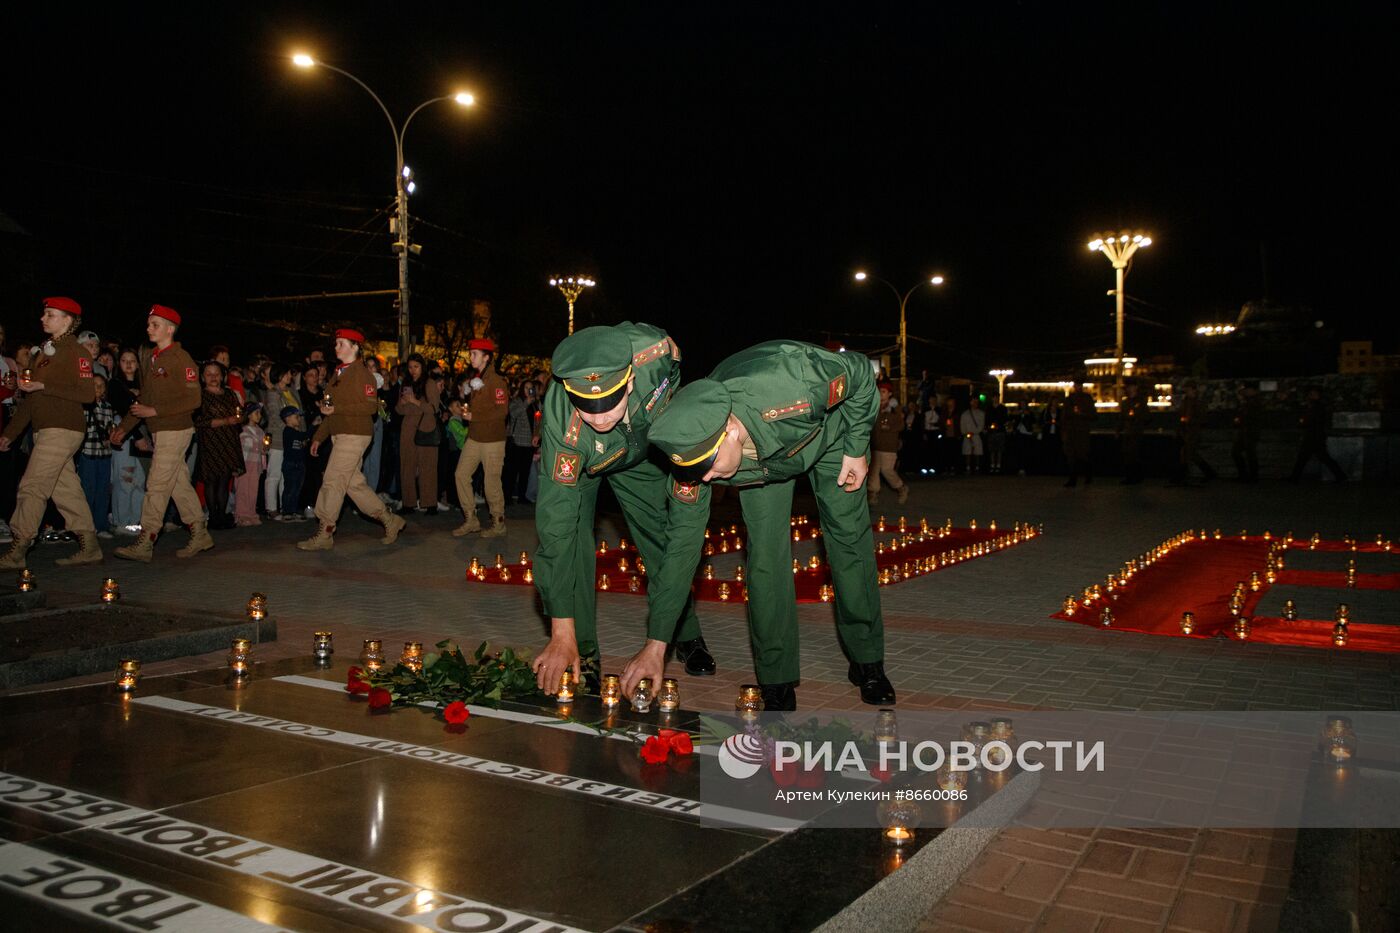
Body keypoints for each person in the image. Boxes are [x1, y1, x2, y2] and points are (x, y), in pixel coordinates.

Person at [648, 340, 894, 711]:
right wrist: (656, 644)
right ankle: (776, 676)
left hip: (829, 439)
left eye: (710, 466)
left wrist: (857, 447)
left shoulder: (795, 382)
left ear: (730, 429)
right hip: (759, 468)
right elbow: (681, 550)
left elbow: (859, 371)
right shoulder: (695, 458)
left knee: (849, 541)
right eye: (698, 471)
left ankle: (867, 661)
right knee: (765, 557)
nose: (707, 479)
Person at [529, 324, 716, 700]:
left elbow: (675, 392)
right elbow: (555, 528)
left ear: (629, 382)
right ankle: (581, 651)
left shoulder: (657, 354)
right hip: (584, 461)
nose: (599, 419)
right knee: (573, 540)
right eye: (587, 407)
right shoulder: (562, 418)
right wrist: (559, 631)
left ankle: (683, 633)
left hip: (640, 453)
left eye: (609, 404)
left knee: (660, 537)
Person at [0, 297, 103, 569]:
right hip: (45, 429)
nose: (43, 318)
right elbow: (31, 399)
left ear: (67, 320)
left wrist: (44, 386)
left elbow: (87, 394)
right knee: (65, 489)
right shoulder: (43, 353)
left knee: (33, 485)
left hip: (62, 428)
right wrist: (11, 432)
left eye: (50, 314)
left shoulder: (77, 352)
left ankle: (19, 547)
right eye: (44, 314)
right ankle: (90, 546)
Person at [111, 305, 212, 562]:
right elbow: (144, 401)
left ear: (170, 329)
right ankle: (200, 533)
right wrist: (123, 428)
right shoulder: (155, 359)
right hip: (162, 431)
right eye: (149, 324)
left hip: (175, 430)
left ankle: (146, 540)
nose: (149, 328)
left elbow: (194, 399)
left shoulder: (181, 358)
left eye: (155, 324)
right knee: (177, 483)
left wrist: (155, 411)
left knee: (156, 484)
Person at [297, 329, 406, 550]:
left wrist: (337, 408)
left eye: (341, 343)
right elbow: (330, 410)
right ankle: (390, 519)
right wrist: (319, 437)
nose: (336, 347)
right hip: (340, 434)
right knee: (353, 485)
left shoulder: (362, 374)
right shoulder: (337, 374)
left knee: (332, 479)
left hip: (355, 434)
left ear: (355, 347)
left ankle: (326, 531)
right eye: (336, 343)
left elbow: (369, 407)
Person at [453, 338, 510, 538]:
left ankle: (498, 523)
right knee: (461, 475)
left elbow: (502, 411)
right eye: (470, 353)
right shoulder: (477, 379)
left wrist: (474, 416)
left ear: (486, 357)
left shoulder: (496, 381)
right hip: (475, 437)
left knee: (491, 482)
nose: (471, 357)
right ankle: (471, 520)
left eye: (474, 354)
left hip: (493, 440)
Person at [193, 361, 244, 531]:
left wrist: (239, 418)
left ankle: (222, 515)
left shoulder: (229, 393)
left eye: (216, 374)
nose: (213, 377)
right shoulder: (200, 395)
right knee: (210, 480)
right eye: (209, 374)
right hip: (210, 442)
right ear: (202, 377)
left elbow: (239, 412)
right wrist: (224, 421)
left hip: (228, 441)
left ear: (222, 377)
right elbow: (198, 420)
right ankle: (213, 516)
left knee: (224, 479)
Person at [107, 348, 147, 533]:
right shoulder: (115, 384)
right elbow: (125, 410)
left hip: (142, 431)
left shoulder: (145, 386)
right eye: (124, 360)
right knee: (125, 477)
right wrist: (137, 436)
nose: (129, 364)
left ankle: (135, 520)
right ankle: (121, 520)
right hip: (125, 431)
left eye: (132, 360)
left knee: (140, 478)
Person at [395, 354, 440, 514]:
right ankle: (408, 503)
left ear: (422, 367)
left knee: (427, 466)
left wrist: (414, 400)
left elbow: (433, 408)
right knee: (407, 466)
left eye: (416, 366)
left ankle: (430, 503)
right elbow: (399, 410)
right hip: (408, 428)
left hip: (425, 427)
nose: (413, 370)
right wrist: (402, 403)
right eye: (410, 367)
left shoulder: (429, 383)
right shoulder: (406, 384)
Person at [77, 371, 118, 538]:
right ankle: (87, 527)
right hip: (88, 453)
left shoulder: (108, 407)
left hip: (105, 454)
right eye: (94, 385)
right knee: (88, 490)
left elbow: (110, 427)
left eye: (101, 385)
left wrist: (110, 437)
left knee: (103, 490)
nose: (98, 388)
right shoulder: (83, 406)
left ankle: (101, 525)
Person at [1289, 386, 1347, 483]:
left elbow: (1310, 420)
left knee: (1305, 458)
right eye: (1311, 394)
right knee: (1318, 457)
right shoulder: (1316, 406)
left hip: (1314, 436)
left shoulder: (1316, 407)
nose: (1312, 396)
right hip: (1316, 436)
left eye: (1314, 394)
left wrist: (1302, 423)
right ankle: (1341, 475)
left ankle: (1294, 477)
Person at [1168, 383, 1217, 486]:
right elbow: (1180, 415)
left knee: (1188, 453)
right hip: (1185, 431)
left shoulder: (1198, 402)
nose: (1187, 391)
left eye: (1189, 389)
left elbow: (1202, 418)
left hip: (1193, 431)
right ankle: (1208, 473)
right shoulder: (1185, 402)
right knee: (1189, 453)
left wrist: (1190, 421)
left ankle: (1183, 476)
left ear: (1194, 390)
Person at [867, 381, 908, 504]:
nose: (881, 394)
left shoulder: (895, 409)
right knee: (873, 471)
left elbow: (901, 425)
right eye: (879, 391)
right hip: (875, 444)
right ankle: (873, 493)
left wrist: (889, 426)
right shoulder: (874, 406)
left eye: (884, 392)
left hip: (889, 445)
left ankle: (901, 488)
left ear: (889, 394)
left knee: (886, 470)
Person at [234, 404, 266, 526]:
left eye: (260, 413)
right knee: (242, 489)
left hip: (255, 464)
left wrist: (264, 449)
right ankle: (241, 515)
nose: (259, 416)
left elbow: (262, 449)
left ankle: (251, 514)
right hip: (244, 464)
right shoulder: (242, 430)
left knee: (253, 490)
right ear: (248, 415)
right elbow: (239, 449)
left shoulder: (260, 431)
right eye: (256, 413)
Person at [1061, 382, 1095, 487]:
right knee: (1071, 455)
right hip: (1072, 431)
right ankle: (1073, 479)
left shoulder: (1087, 398)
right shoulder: (1069, 399)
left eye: (1079, 385)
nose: (1078, 387)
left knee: (1082, 455)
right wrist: (1064, 431)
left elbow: (1093, 415)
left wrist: (1082, 415)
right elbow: (1064, 416)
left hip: (1082, 432)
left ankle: (1087, 475)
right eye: (1076, 385)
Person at [279, 406, 309, 521]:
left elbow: (301, 444)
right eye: (296, 417)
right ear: (287, 419)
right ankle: (287, 512)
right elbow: (302, 436)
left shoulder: (296, 432)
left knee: (297, 489)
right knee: (289, 489)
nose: (299, 419)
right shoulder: (288, 431)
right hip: (290, 464)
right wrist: (313, 426)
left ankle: (294, 510)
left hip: (299, 464)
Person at [1231, 383, 1262, 483]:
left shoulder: (1255, 402)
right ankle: (1245, 475)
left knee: (1250, 454)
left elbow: (1253, 417)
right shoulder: (1247, 402)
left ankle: (1252, 476)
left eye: (1247, 390)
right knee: (1237, 452)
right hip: (1245, 431)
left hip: (1250, 431)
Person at [1118, 381, 1147, 484]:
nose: (1129, 389)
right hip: (1128, 432)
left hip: (1136, 431)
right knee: (1127, 454)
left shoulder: (1141, 401)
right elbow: (1121, 417)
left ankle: (1136, 476)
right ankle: (1129, 476)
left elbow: (1146, 416)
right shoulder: (1125, 402)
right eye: (1128, 387)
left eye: (1131, 387)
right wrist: (1118, 430)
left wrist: (1136, 418)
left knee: (1135, 454)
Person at [960, 396, 986, 475]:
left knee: (977, 452)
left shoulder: (981, 413)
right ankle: (968, 467)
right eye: (973, 401)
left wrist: (974, 432)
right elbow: (962, 425)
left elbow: (981, 425)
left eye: (976, 402)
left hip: (976, 435)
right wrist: (965, 433)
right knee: (967, 451)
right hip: (967, 435)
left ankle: (977, 467)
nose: (975, 403)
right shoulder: (965, 414)